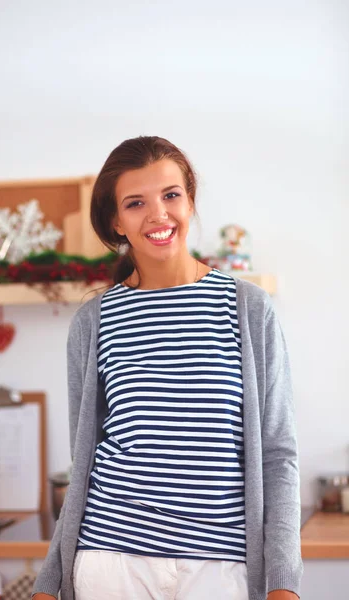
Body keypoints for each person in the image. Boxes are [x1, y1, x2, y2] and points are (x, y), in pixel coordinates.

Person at [32, 136, 303, 600]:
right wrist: (49, 582)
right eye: (136, 203)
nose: (158, 215)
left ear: (190, 200)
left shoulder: (248, 309)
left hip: (222, 569)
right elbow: (86, 464)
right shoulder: (93, 323)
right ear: (117, 220)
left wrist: (283, 583)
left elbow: (278, 455)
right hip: (111, 561)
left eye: (171, 195)